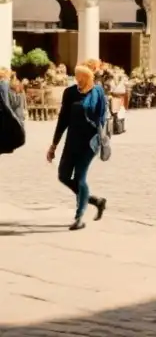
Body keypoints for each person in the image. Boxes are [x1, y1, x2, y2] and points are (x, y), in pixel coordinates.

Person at [46, 65, 108, 231]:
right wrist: (54, 145)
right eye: (76, 76)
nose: (77, 79)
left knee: (80, 177)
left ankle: (79, 217)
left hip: (89, 144)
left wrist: (102, 139)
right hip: (72, 141)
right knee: (63, 175)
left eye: (80, 76)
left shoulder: (97, 92)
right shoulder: (70, 93)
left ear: (87, 77)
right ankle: (96, 201)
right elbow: (63, 120)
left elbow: (103, 118)